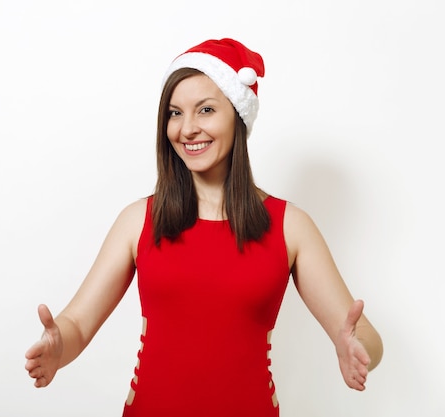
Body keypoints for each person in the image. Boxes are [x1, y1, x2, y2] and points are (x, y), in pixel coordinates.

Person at [24, 38, 383, 416]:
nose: (188, 128)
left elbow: (365, 336)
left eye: (206, 110)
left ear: (237, 115)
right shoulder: (138, 220)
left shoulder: (290, 226)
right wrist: (57, 347)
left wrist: (357, 350)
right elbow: (78, 324)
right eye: (175, 113)